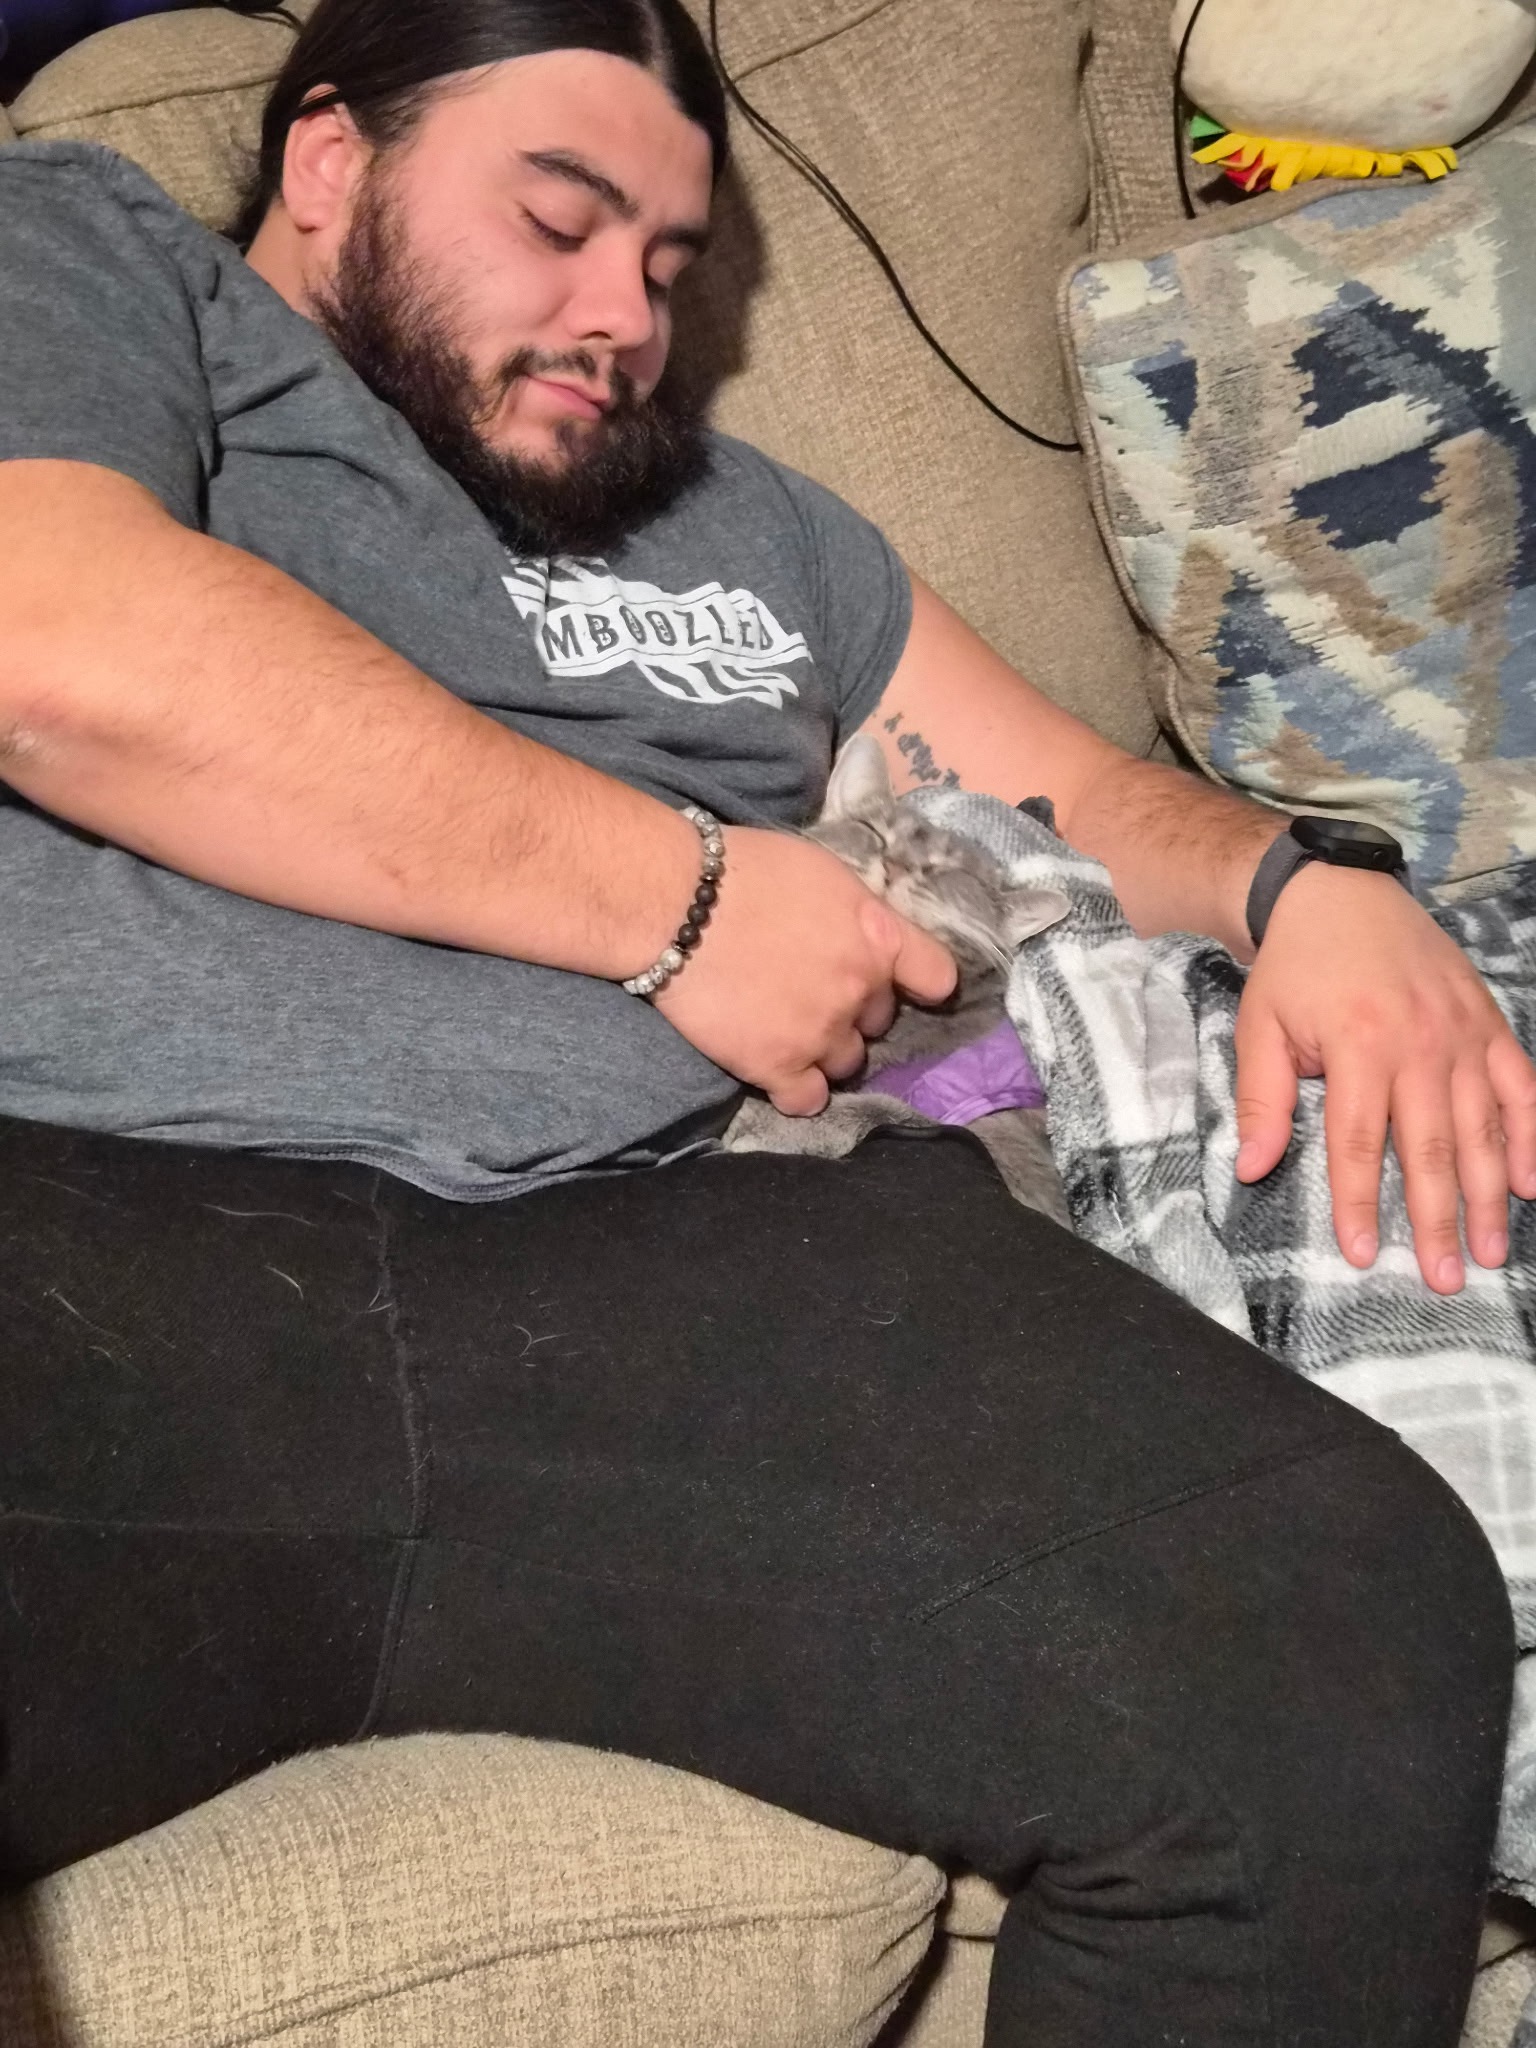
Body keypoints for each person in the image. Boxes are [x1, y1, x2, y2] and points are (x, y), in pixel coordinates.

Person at [0, 1, 1523, 2040]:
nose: (622, 316)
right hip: (104, 1218)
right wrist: (683, 897)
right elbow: (53, 632)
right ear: (331, 161)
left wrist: (1305, 883)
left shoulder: (766, 529)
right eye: (557, 221)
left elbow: (1079, 787)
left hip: (709, 1254)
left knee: (1346, 1623)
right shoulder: (86, 252)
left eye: (666, 264)